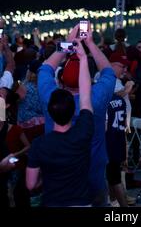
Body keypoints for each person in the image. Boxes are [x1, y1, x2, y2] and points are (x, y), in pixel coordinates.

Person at [37, 23, 116, 206]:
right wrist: (90, 44)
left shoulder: (51, 97)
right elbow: (108, 72)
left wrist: (67, 44)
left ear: (61, 79)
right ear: (88, 78)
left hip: (56, 183)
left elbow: (45, 68)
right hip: (93, 177)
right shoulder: (95, 98)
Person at [26, 40, 94, 207]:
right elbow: (85, 94)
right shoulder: (83, 132)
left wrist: (67, 43)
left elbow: (30, 184)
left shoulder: (39, 144)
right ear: (73, 112)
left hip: (52, 202)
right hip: (81, 203)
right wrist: (83, 58)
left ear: (49, 112)